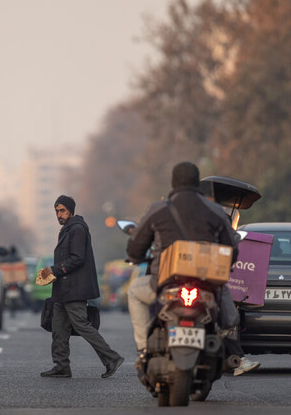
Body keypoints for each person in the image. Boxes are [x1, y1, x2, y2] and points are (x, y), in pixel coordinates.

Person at [126, 161, 258, 374]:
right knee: (225, 315)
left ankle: (143, 350)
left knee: (133, 291)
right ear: (197, 182)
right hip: (206, 285)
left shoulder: (159, 209)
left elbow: (135, 246)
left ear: (173, 182)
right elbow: (231, 249)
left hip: (164, 282)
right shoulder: (215, 210)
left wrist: (135, 256)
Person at [39, 195, 124, 378]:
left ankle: (112, 358)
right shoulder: (67, 230)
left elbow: (77, 258)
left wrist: (55, 270)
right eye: (56, 211)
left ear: (70, 210)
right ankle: (61, 366)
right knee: (58, 328)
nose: (59, 214)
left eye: (62, 210)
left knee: (82, 325)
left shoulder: (77, 229)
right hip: (63, 289)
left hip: (75, 289)